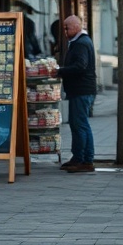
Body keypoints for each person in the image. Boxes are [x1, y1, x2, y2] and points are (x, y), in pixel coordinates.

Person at [52, 15, 97, 173]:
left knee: (80, 125)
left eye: (67, 27)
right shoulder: (79, 42)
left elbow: (80, 66)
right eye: (64, 28)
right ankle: (78, 157)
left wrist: (60, 71)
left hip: (82, 90)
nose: (65, 31)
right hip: (79, 90)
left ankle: (85, 160)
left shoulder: (81, 43)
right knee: (77, 124)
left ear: (77, 27)